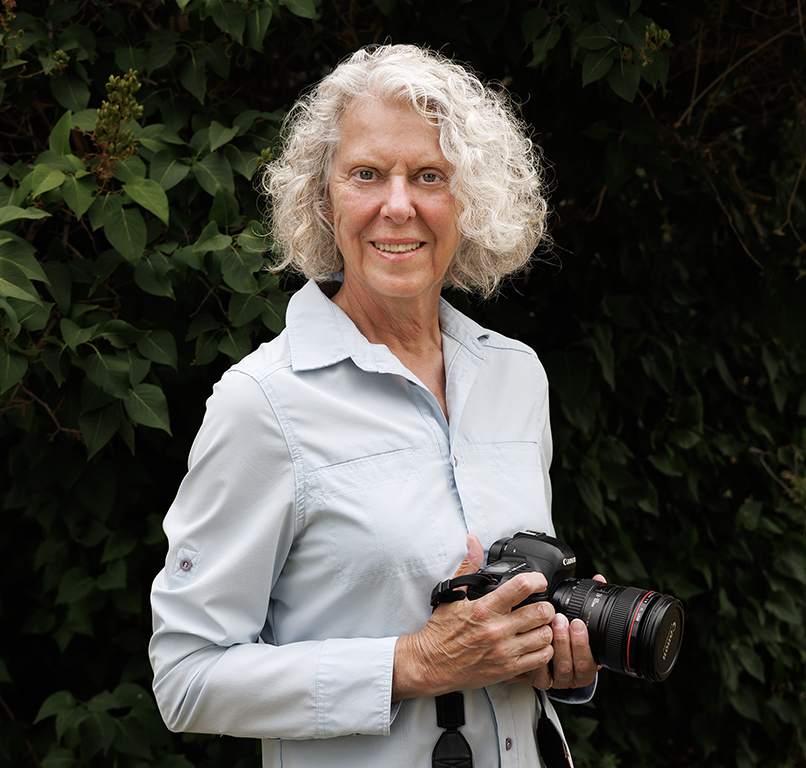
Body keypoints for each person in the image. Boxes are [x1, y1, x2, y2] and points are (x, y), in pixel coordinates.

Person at [150, 44, 600, 768]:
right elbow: (186, 680)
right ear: (325, 199)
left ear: (468, 197)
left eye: (429, 176)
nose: (399, 205)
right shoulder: (263, 402)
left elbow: (503, 629)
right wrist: (414, 663)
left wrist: (555, 657)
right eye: (367, 174)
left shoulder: (517, 376)